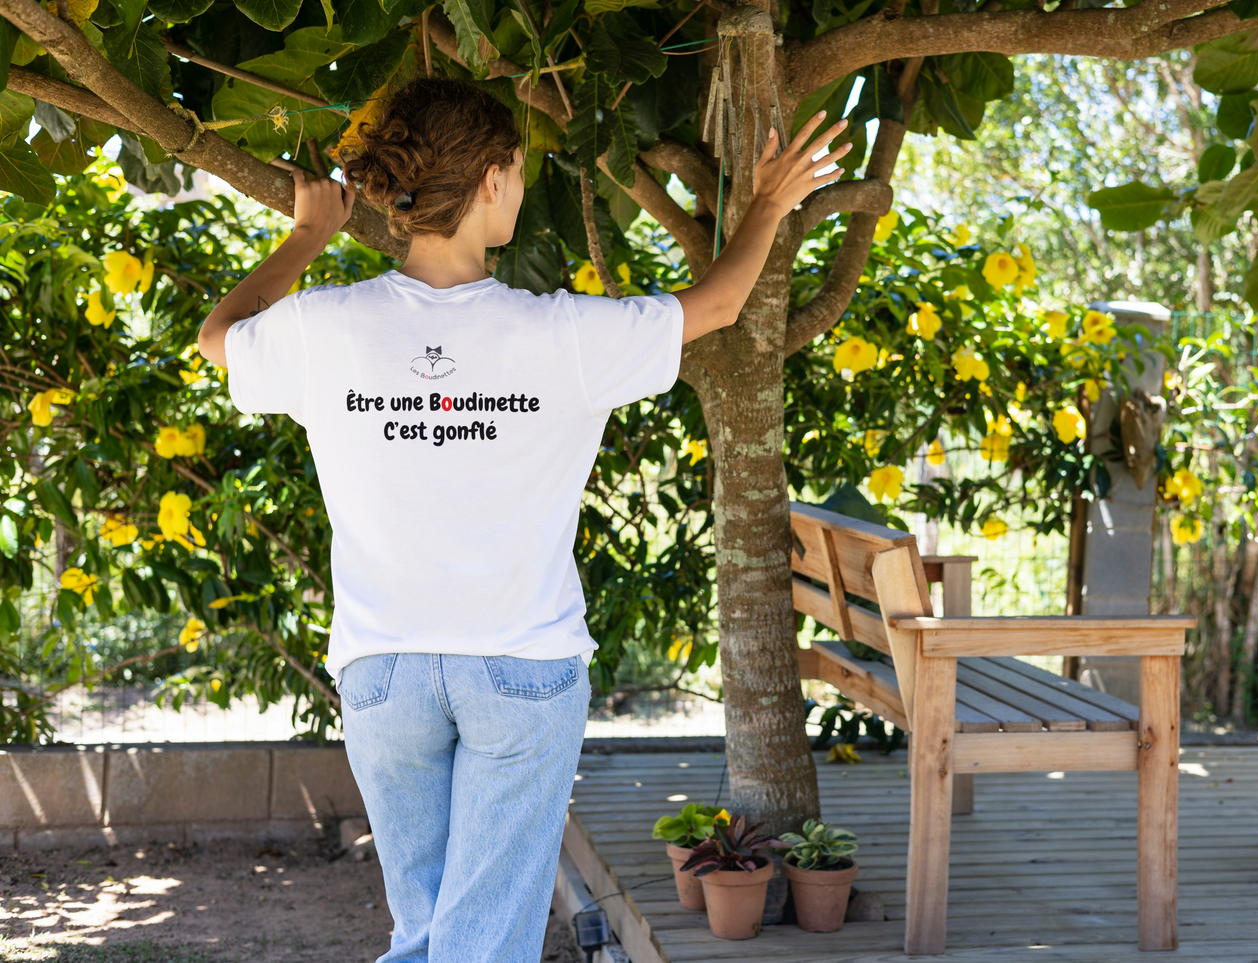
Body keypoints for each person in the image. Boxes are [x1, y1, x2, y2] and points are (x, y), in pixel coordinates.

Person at [196, 76, 849, 962]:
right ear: (494, 180)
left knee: (425, 932)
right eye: (519, 169)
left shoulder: (324, 327)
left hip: (382, 668)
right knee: (481, 943)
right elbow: (723, 302)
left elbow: (219, 336)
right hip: (521, 668)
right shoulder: (563, 335)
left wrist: (309, 233)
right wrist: (767, 203)